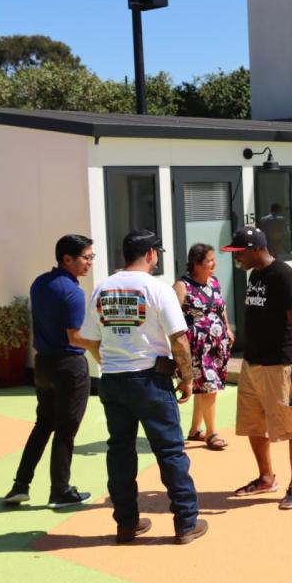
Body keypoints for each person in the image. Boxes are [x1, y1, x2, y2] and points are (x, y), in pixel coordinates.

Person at [78, 229, 206, 544]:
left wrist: (110, 362)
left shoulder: (102, 289)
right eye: (156, 252)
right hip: (151, 381)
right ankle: (185, 523)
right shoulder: (157, 289)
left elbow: (90, 340)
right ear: (149, 254)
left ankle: (126, 524)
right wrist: (187, 379)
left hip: (113, 381)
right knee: (170, 452)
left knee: (120, 453)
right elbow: (179, 339)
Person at [3, 234, 96, 509]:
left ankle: (20, 485)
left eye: (92, 257)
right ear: (67, 259)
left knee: (43, 425)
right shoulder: (73, 292)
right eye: (86, 257)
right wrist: (101, 349)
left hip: (43, 365)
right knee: (66, 431)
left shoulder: (40, 283)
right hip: (69, 367)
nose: (90, 263)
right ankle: (61, 491)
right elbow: (74, 336)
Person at [222, 225, 292, 510]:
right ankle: (266, 478)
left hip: (280, 365)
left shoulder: (284, 276)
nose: (236, 259)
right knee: (253, 424)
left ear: (254, 249)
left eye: (238, 253)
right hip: (253, 363)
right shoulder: (255, 275)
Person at [174, 243, 233, 450]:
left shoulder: (214, 281)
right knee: (209, 387)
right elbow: (172, 317)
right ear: (196, 264)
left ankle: (194, 430)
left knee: (206, 387)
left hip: (216, 344)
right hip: (197, 346)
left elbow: (221, 307)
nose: (213, 264)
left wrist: (227, 328)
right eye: (209, 260)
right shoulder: (182, 286)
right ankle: (211, 433)